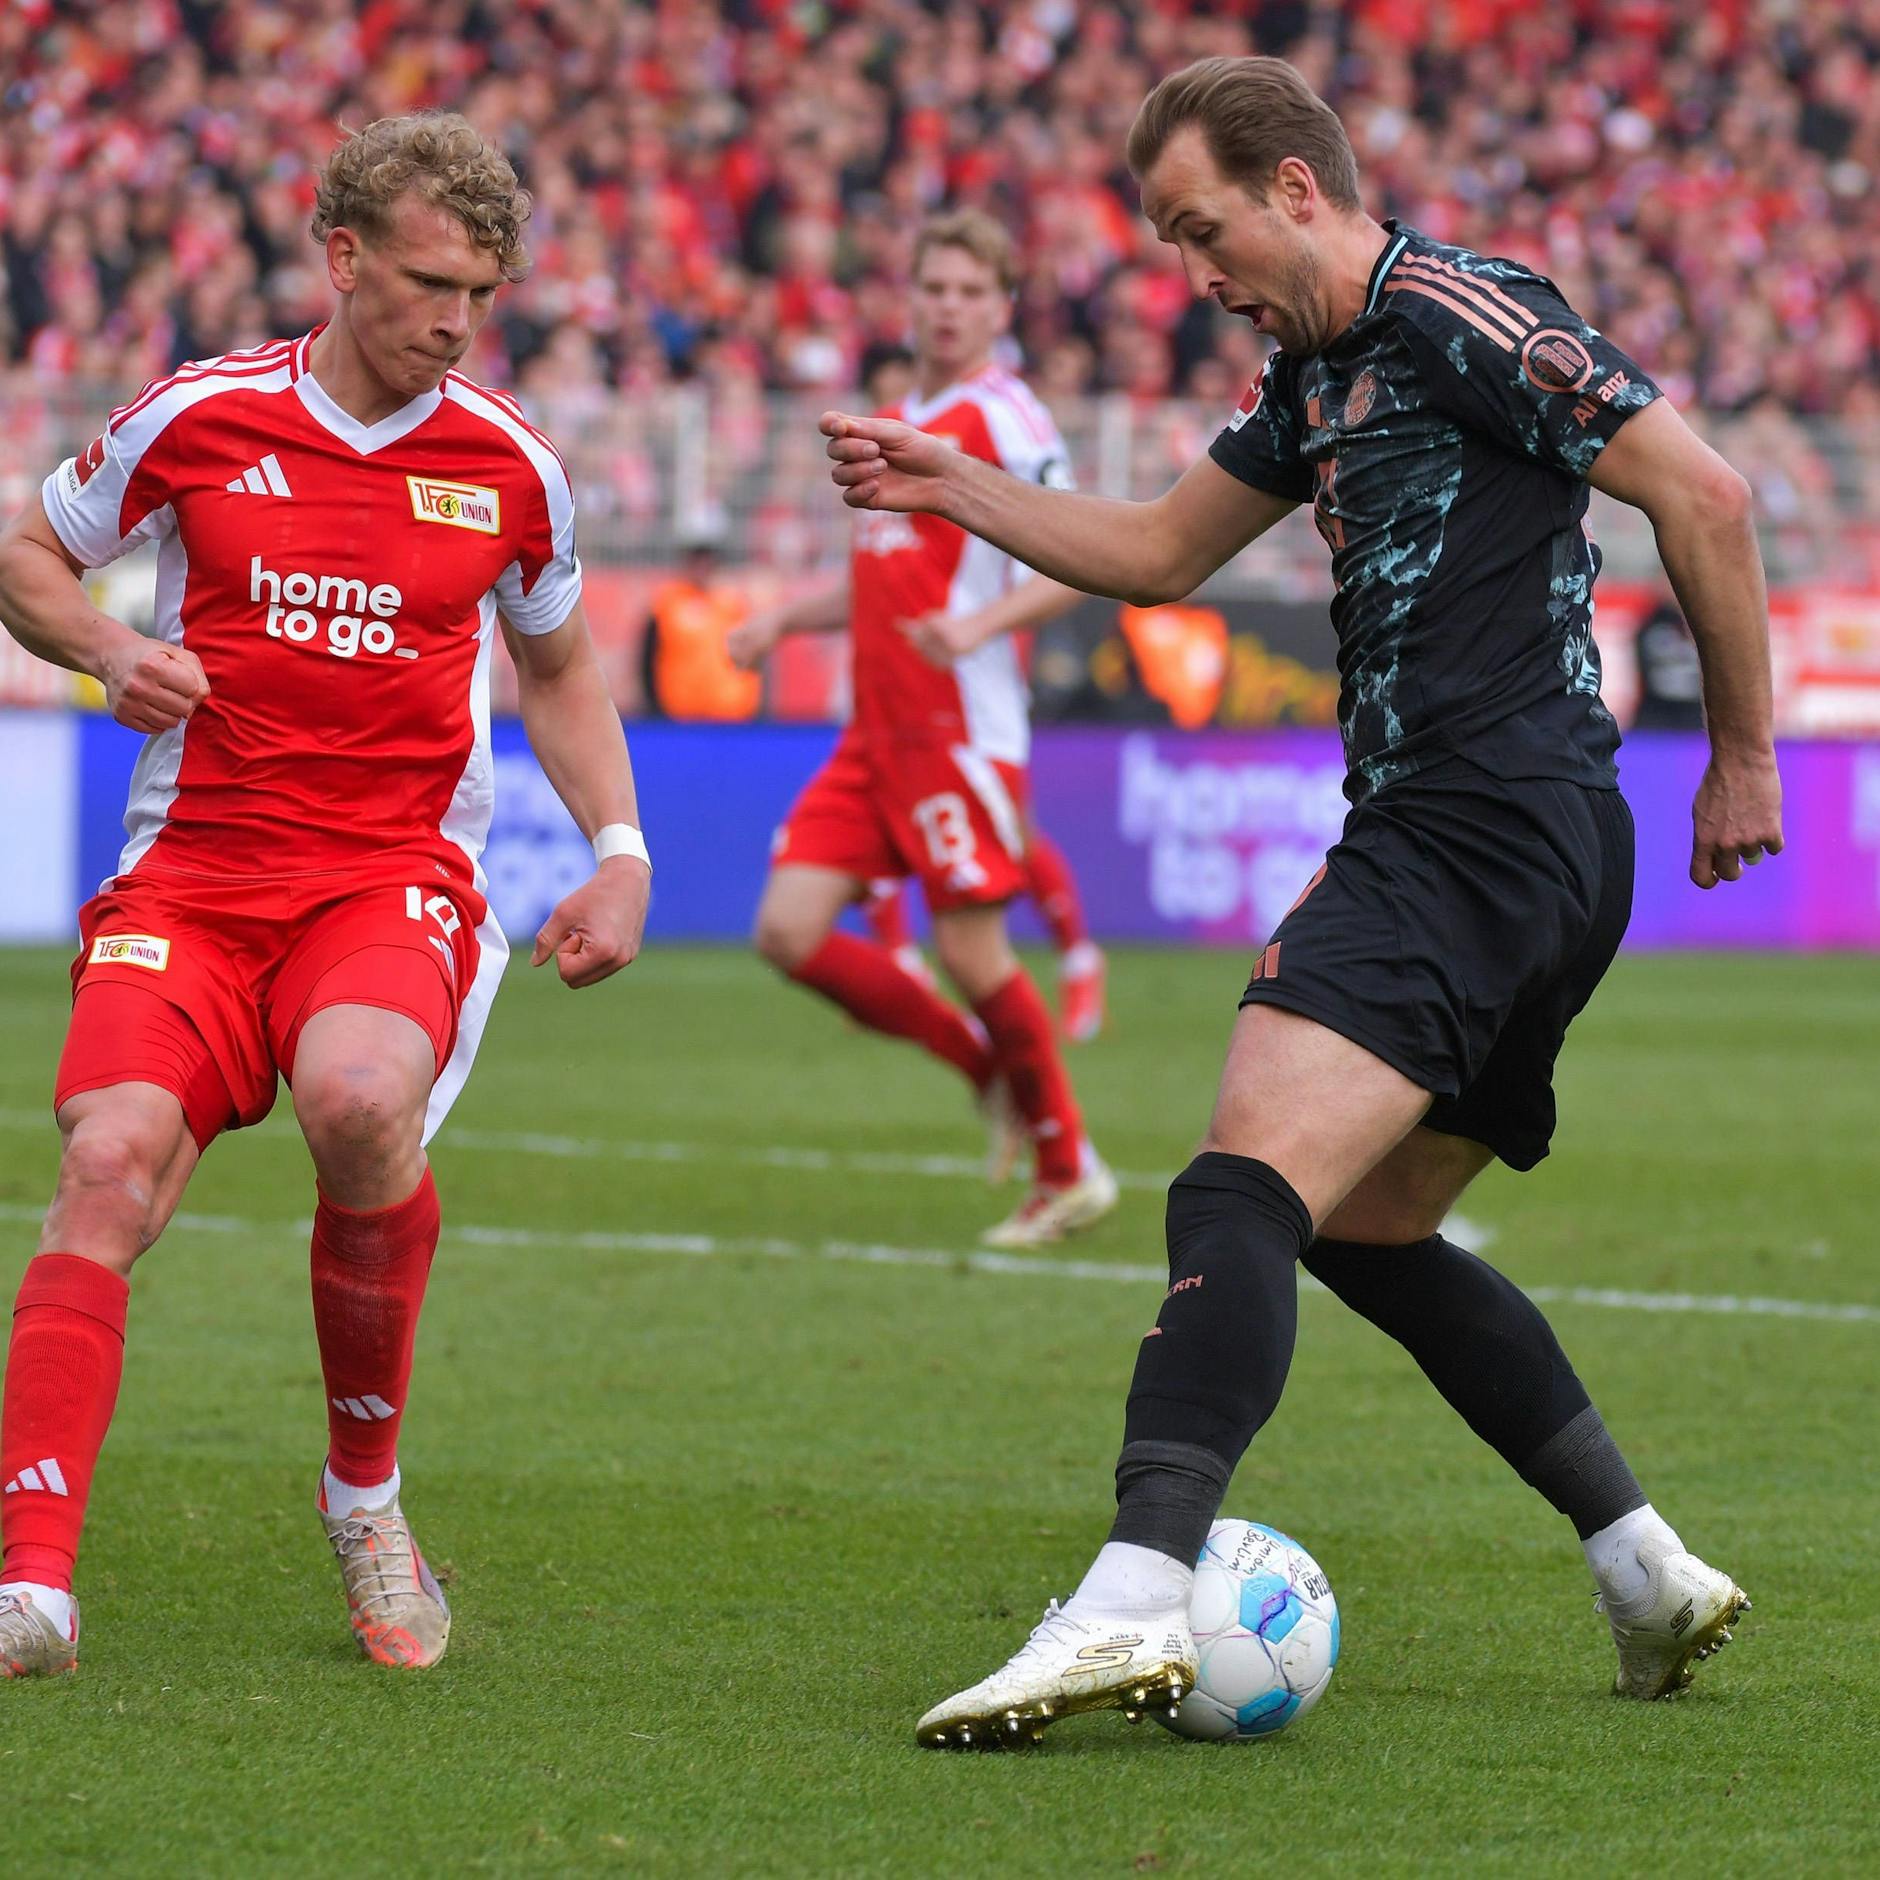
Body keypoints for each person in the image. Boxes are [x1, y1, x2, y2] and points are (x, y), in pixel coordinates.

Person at [821, 56, 1783, 1745]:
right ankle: (1645, 1566)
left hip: (1478, 823)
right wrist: (951, 483)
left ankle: (1129, 1593)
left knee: (1235, 1193)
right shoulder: (1309, 376)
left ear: (1294, 187)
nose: (1199, 274)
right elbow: (1159, 552)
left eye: (1204, 230)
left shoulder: (1466, 313)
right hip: (1517, 842)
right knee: (1369, 1227)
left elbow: (1702, 492)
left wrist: (1747, 757)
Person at [0, 112, 652, 1677]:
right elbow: (27, 551)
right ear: (342, 255)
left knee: (360, 1101)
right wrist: (108, 650)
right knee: (109, 1161)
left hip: (387, 880)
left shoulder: (510, 466)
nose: (455, 320)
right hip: (198, 877)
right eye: (430, 282)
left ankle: (365, 1497)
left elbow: (560, 671)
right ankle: (30, 1585)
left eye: (481, 295)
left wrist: (622, 855)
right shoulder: (197, 418)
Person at [730, 209, 1115, 1246]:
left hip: (957, 727)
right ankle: (982, 1065)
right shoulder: (894, 417)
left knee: (973, 953)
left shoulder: (1007, 417)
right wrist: (779, 618)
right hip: (876, 733)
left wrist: (981, 621)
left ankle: (1067, 1163)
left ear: (999, 306)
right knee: (786, 927)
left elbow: (1075, 552)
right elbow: (876, 574)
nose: (944, 307)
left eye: (965, 291)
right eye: (931, 288)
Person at [638, 535, 762, 722]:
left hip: (730, 716)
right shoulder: (667, 604)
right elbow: (648, 657)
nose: (702, 565)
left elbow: (754, 656)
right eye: (697, 558)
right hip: (679, 716)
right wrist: (654, 706)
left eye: (707, 558)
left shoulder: (733, 604)